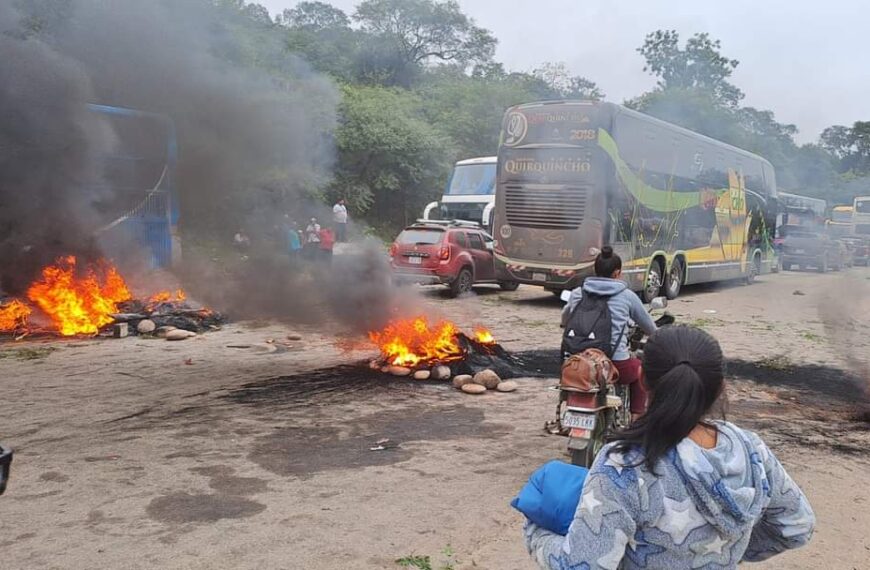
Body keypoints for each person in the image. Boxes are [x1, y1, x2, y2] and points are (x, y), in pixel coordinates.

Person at [524, 325, 815, 569]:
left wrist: (536, 532)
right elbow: (797, 525)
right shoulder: (752, 450)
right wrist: (717, 554)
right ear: (721, 387)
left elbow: (581, 565)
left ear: (642, 379)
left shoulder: (625, 465)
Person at [561, 246, 656, 418]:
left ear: (595, 270)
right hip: (614, 365)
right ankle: (637, 419)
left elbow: (565, 319)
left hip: (576, 362)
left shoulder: (578, 293)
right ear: (617, 273)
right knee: (640, 370)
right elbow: (650, 328)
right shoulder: (627, 296)